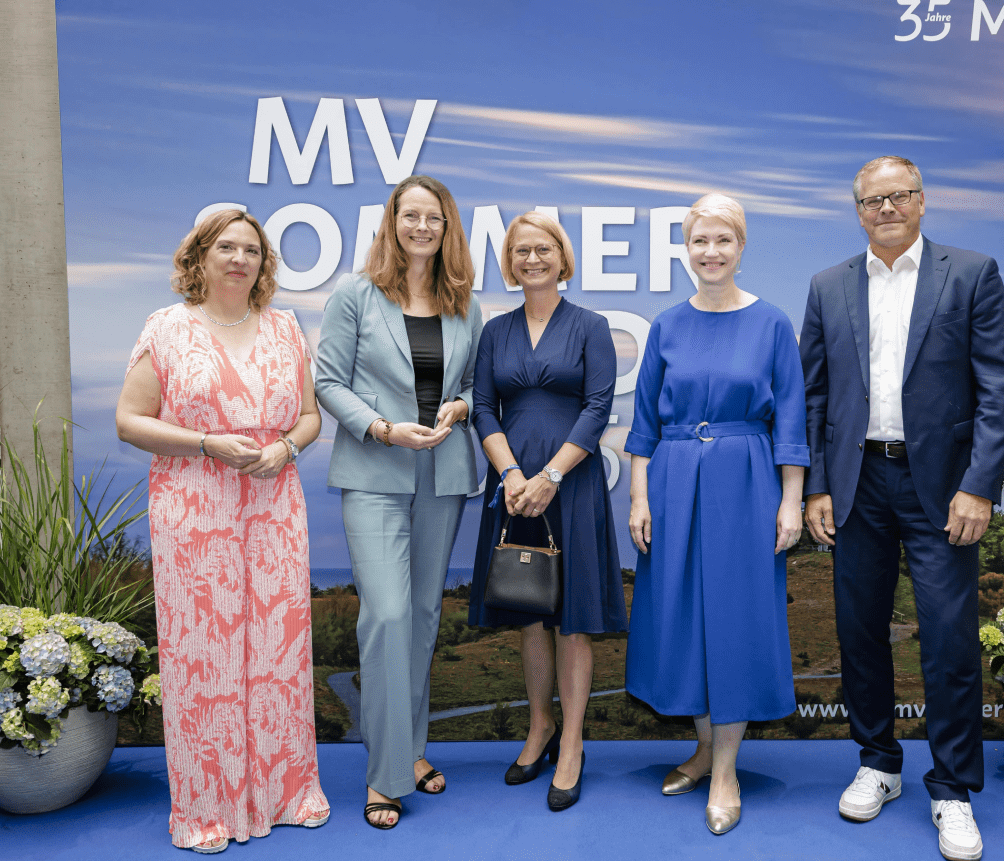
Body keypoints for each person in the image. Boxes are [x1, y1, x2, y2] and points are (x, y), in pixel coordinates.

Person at [798, 156, 1004, 861]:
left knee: (949, 641)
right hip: (856, 483)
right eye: (871, 200)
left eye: (898, 196)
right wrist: (816, 487)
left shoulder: (972, 273)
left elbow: (999, 388)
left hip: (944, 491)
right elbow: (814, 396)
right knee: (859, 632)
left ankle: (952, 789)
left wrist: (980, 485)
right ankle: (878, 764)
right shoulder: (828, 285)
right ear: (857, 210)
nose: (885, 208)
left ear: (923, 201)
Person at [116, 208, 330, 854]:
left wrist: (286, 449)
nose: (240, 259)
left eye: (252, 251)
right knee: (203, 658)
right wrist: (206, 442)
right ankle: (207, 808)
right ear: (200, 257)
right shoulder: (168, 329)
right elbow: (130, 420)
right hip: (193, 509)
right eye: (227, 248)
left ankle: (286, 793)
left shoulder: (286, 329)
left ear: (264, 265)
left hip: (273, 505)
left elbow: (311, 416)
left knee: (278, 654)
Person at [624, 194, 807, 836]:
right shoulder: (667, 325)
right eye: (700, 240)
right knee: (681, 615)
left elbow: (791, 419)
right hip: (672, 481)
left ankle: (725, 769)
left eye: (723, 240)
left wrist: (791, 500)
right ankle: (703, 748)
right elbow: (644, 420)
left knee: (733, 618)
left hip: (746, 481)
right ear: (686, 247)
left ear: (742, 246)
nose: (711, 252)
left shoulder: (773, 323)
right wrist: (640, 496)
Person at [314, 176, 482, 830]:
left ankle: (411, 752)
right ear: (392, 222)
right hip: (373, 471)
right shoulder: (356, 295)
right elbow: (327, 380)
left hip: (442, 476)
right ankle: (384, 776)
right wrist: (383, 427)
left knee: (419, 619)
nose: (420, 227)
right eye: (409, 215)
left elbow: (470, 386)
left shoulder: (465, 302)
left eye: (432, 218)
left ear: (447, 228)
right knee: (383, 616)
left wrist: (460, 406)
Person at [467, 211, 626, 812]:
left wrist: (551, 476)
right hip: (511, 485)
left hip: (572, 483)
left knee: (572, 617)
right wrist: (512, 475)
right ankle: (540, 727)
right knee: (530, 611)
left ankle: (573, 744)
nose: (532, 259)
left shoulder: (590, 325)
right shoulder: (495, 330)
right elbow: (484, 407)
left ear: (563, 257)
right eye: (521, 251)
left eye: (543, 249)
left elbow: (598, 406)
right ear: (510, 263)